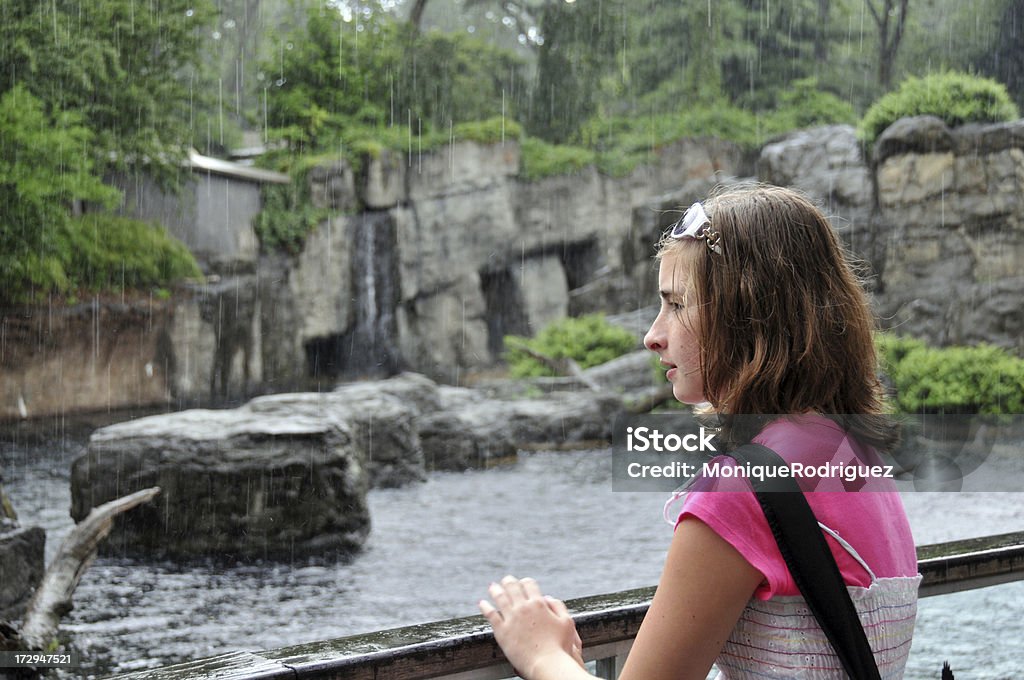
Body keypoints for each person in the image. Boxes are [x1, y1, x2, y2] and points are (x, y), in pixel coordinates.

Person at [478, 185, 921, 679]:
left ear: (747, 315)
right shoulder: (855, 453)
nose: (652, 335)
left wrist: (542, 655)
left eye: (677, 305)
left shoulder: (741, 489)